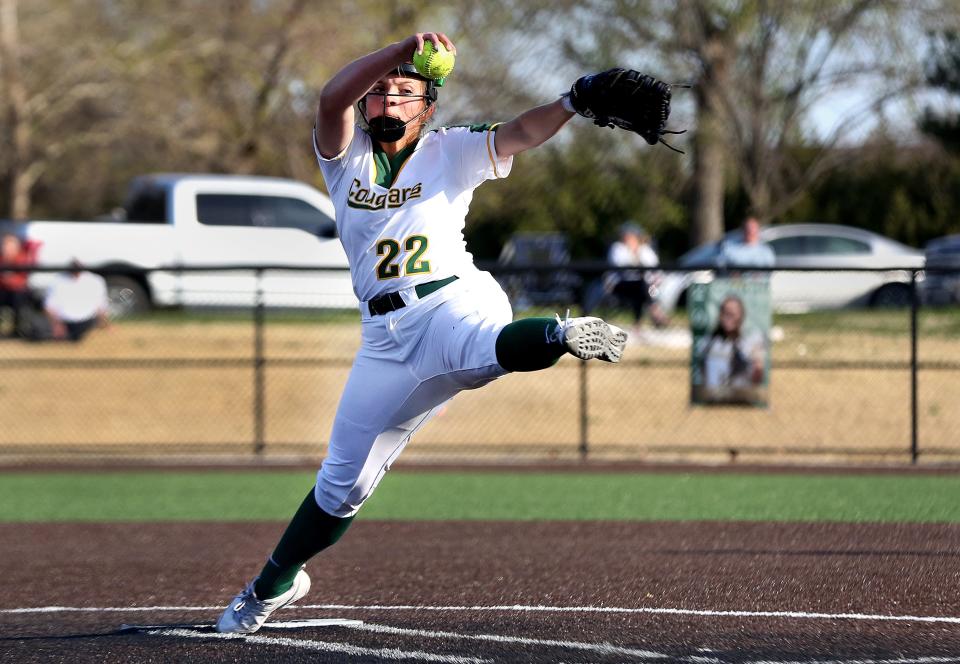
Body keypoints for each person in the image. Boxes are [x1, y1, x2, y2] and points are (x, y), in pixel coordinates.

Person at [215, 32, 640, 634]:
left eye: (404, 92)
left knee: (485, 350)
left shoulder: (449, 150)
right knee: (342, 485)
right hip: (383, 338)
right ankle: (271, 586)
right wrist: (397, 54)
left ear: (428, 106)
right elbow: (331, 99)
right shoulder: (344, 158)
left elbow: (520, 132)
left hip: (451, 299)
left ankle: (560, 334)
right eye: (380, 92)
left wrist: (572, 100)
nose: (388, 100)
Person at [605, 223, 669, 331]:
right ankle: (655, 312)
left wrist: (637, 253)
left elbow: (654, 267)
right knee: (641, 286)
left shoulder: (645, 249)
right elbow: (621, 267)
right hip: (620, 285)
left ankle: (638, 324)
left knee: (641, 287)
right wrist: (633, 254)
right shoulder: (617, 248)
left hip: (643, 286)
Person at [699, 295, 766, 398]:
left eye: (732, 314)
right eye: (725, 313)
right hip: (715, 397)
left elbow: (758, 375)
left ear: (741, 315)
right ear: (720, 315)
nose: (728, 317)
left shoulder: (751, 340)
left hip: (743, 396)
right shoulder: (709, 342)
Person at [42, 260, 110, 342]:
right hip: (64, 322)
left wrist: (106, 324)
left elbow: (101, 307)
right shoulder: (56, 281)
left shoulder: (96, 280)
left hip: (88, 322)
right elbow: (49, 307)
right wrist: (57, 324)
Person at [0, 233, 35, 338]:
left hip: (17, 292)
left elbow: (21, 280)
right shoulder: (1, 258)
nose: (6, 248)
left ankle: (18, 330)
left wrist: (7, 279)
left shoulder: (22, 258)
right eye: (5, 245)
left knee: (18, 297)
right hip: (3, 290)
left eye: (10, 245)